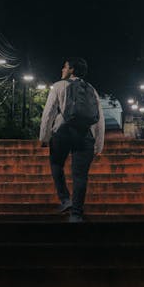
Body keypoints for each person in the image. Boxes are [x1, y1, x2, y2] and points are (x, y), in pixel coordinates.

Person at [39, 57, 105, 222]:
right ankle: (76, 214)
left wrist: (44, 137)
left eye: (65, 67)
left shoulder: (58, 86)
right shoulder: (91, 89)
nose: (62, 70)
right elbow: (99, 119)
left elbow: (49, 113)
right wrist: (99, 144)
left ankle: (65, 199)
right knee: (80, 176)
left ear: (72, 70)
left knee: (56, 164)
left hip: (63, 132)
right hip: (85, 135)